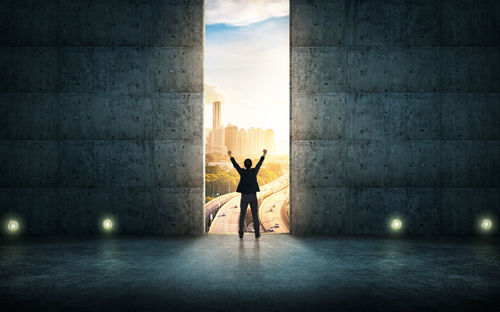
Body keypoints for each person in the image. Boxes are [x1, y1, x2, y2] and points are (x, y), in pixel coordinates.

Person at [228, 149, 267, 239]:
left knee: (242, 215)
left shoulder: (242, 172)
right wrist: (264, 154)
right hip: (253, 196)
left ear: (244, 165)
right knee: (255, 215)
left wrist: (230, 155)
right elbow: (259, 163)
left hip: (244, 197)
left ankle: (241, 233)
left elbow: (235, 165)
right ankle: (257, 233)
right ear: (251, 165)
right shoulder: (254, 172)